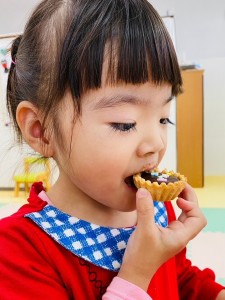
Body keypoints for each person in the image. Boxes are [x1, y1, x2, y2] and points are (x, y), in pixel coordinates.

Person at [0, 0, 224, 299]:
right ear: (41, 130)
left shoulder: (158, 210)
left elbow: (180, 279)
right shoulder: (18, 251)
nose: (156, 143)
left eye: (163, 118)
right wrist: (137, 272)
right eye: (124, 123)